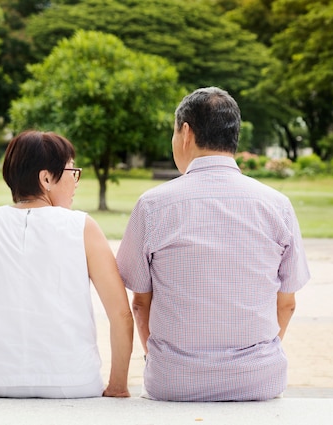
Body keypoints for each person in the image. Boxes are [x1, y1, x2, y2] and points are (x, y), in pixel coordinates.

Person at [116, 87, 310, 402]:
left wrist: (159, 361)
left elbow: (140, 303)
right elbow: (286, 303)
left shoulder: (153, 205)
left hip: (173, 382)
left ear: (186, 133)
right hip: (259, 380)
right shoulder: (278, 205)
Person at [0, 130, 133, 398]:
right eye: (71, 170)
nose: (76, 180)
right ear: (46, 178)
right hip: (74, 380)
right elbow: (121, 314)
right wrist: (118, 386)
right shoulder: (82, 227)